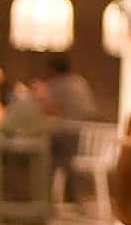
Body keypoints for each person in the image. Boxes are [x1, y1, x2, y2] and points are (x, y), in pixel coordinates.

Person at [41, 54, 96, 203]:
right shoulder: (80, 82)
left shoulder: (57, 83)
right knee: (66, 161)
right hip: (80, 135)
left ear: (52, 69)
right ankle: (72, 196)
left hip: (64, 133)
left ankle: (45, 196)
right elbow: (90, 110)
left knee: (47, 158)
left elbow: (50, 108)